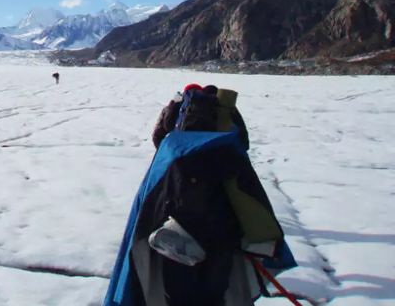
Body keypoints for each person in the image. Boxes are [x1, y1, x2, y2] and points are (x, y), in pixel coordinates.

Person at [103, 83, 296, 306]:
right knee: (215, 294)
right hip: (222, 236)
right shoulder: (228, 146)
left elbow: (148, 205)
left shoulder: (173, 151)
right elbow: (244, 172)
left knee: (177, 296)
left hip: (174, 239)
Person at [152, 83, 249, 150]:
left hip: (180, 153)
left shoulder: (174, 107)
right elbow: (244, 139)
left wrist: (164, 155)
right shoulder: (222, 108)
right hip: (220, 157)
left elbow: (157, 135)